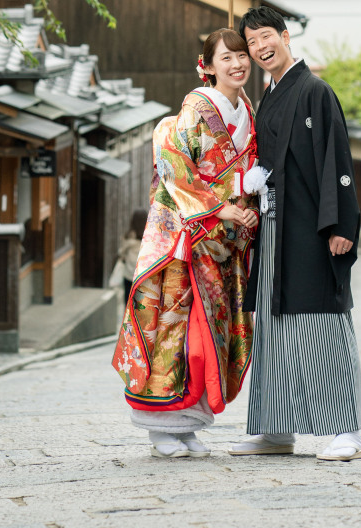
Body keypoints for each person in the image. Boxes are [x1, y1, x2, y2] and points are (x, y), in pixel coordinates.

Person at [111, 28, 260, 459]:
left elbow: (247, 172)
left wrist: (247, 206)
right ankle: (161, 428)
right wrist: (219, 206)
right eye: (226, 58)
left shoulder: (246, 108)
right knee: (174, 331)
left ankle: (187, 423)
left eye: (241, 56)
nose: (237, 65)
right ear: (207, 66)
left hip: (225, 243)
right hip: (188, 239)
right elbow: (176, 169)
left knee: (210, 334)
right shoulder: (196, 109)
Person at [229, 6, 361, 463]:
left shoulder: (314, 91)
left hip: (311, 227)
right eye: (251, 43)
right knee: (273, 325)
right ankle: (276, 428)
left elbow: (336, 159)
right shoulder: (268, 95)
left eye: (267, 36)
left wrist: (341, 224)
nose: (260, 47)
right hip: (274, 229)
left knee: (321, 321)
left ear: (286, 36)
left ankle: (345, 428)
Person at [117, 209, 148, 303]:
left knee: (128, 303)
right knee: (142, 304)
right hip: (143, 275)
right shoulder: (148, 236)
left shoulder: (128, 236)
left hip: (129, 274)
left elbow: (121, 253)